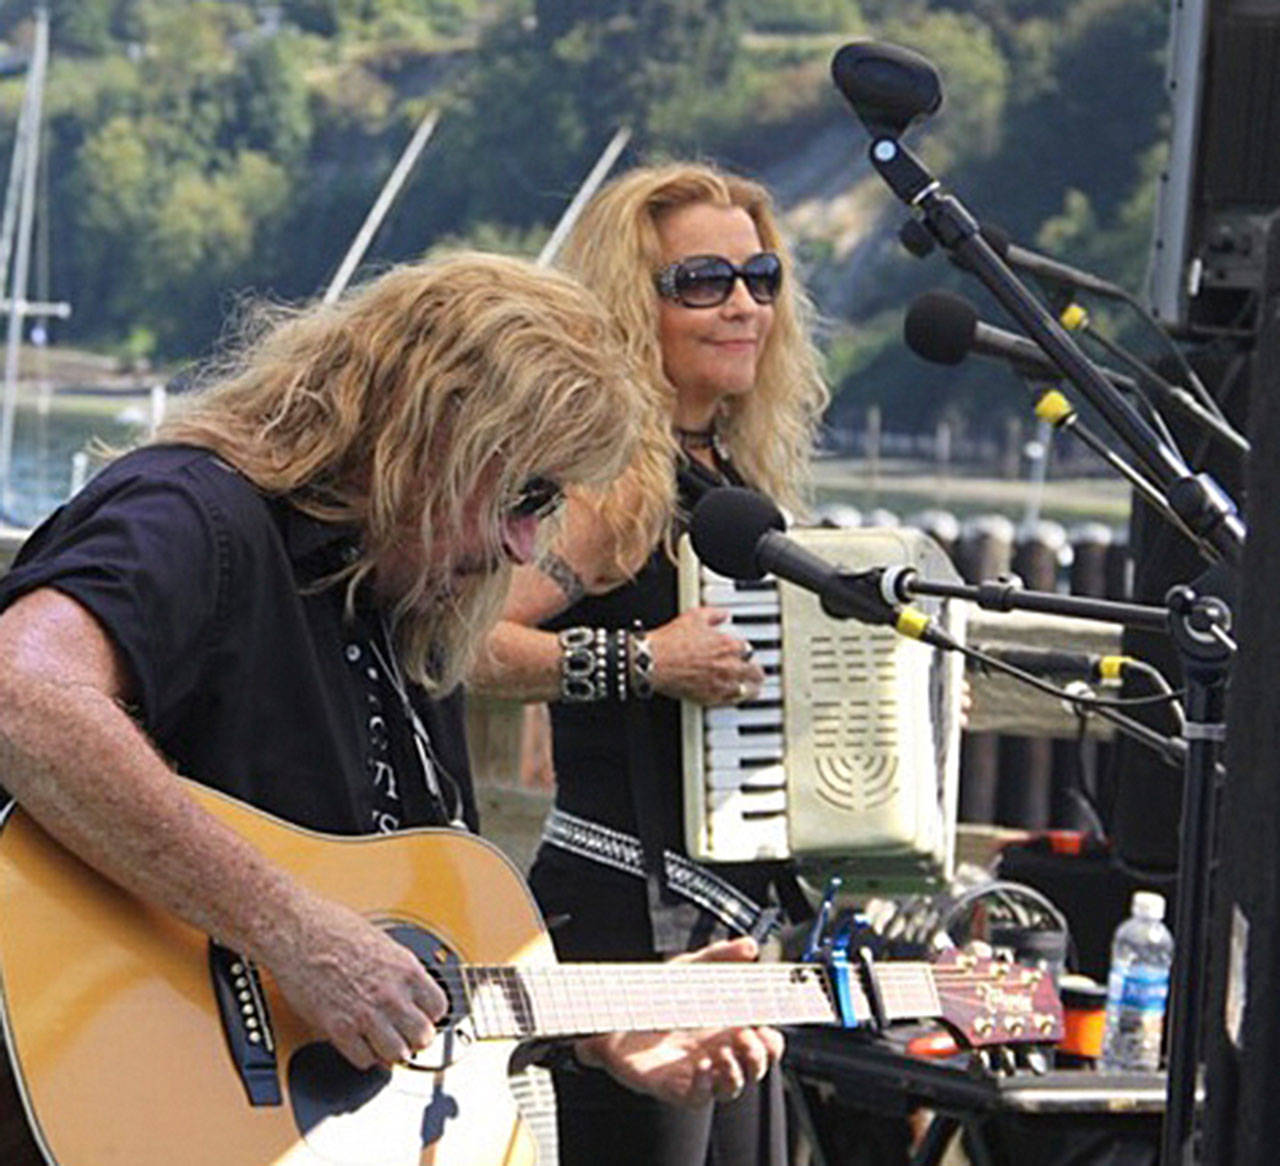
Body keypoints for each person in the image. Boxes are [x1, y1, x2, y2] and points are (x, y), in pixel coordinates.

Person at [0, 252, 783, 1164]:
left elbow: (402, 962)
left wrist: (595, 1029)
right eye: (526, 494)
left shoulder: (401, 609)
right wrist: (286, 929)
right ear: (433, 435)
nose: (526, 544)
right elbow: (24, 696)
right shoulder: (198, 515)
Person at [470, 163, 830, 1165]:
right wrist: (642, 659)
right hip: (619, 919)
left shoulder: (737, 481)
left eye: (759, 277)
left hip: (727, 930)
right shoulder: (610, 481)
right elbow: (468, 642)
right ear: (637, 308)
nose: (743, 304)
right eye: (702, 281)